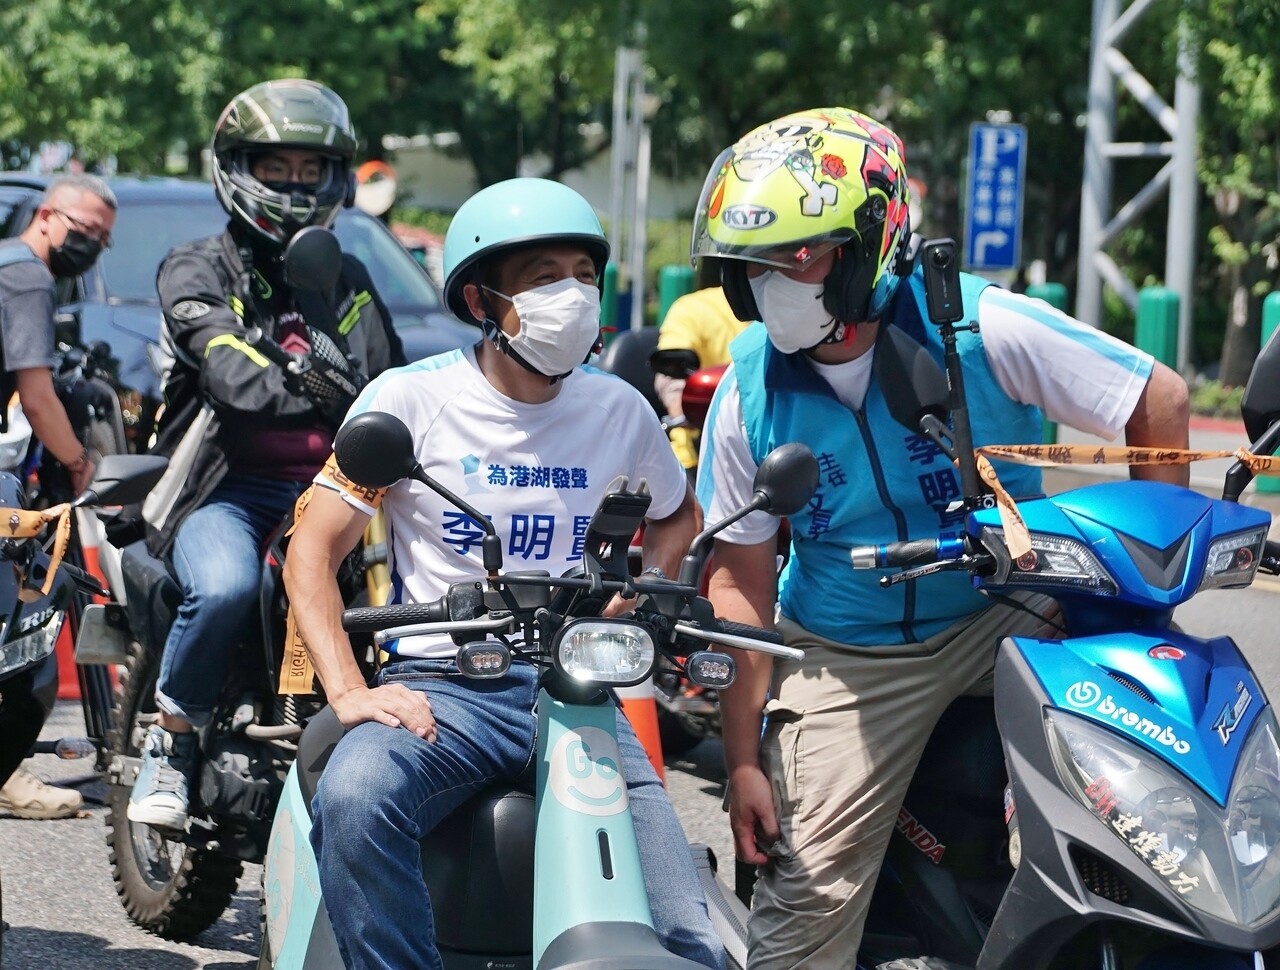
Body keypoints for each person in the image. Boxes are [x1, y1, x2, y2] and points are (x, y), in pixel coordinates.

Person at [690, 107, 1191, 968]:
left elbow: (1160, 399)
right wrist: (743, 760)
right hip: (853, 650)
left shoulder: (981, 327)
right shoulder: (747, 391)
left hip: (1016, 605)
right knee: (804, 899)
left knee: (1162, 803)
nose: (776, 278)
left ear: (871, 241)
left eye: (800, 253)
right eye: (757, 262)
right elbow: (738, 578)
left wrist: (1149, 609)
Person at [284, 177, 725, 970]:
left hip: (578, 692)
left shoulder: (618, 408)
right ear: (483, 301)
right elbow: (311, 552)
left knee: (687, 931)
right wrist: (350, 692)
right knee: (354, 799)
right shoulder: (412, 399)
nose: (574, 295)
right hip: (446, 687)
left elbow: (677, 514)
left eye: (584, 275)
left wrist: (636, 596)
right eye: (543, 276)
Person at [127, 78, 405, 830]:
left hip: (338, 493)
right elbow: (232, 379)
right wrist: (329, 392)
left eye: (308, 170)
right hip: (227, 492)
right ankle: (172, 741)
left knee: (412, 607)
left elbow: (394, 380)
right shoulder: (197, 268)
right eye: (275, 167)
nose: (293, 184)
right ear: (237, 167)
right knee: (220, 588)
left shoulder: (343, 276)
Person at [0, 172, 118, 820]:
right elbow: (38, 392)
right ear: (47, 216)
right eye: (83, 231)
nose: (91, 246)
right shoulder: (27, 276)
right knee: (22, 630)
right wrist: (78, 461)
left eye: (102, 240)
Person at [653, 273, 748, 473]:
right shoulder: (693, 309)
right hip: (698, 457)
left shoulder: (793, 313)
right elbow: (672, 375)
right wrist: (683, 405)